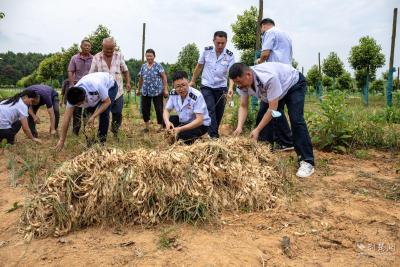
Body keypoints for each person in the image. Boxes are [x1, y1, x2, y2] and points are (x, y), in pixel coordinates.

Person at [229, 62, 315, 178]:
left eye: (239, 82)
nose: (239, 86)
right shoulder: (242, 84)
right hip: (274, 91)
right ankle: (264, 154)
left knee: (296, 119)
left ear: (249, 75)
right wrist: (239, 127)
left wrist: (257, 130)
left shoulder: (268, 78)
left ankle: (307, 161)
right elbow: (243, 106)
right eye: (236, 83)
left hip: (292, 84)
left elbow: (272, 110)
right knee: (262, 117)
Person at [255, 18, 294, 151]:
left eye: (261, 29)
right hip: (286, 74)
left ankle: (271, 141)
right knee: (275, 108)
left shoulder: (269, 32)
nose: (262, 32)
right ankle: (278, 141)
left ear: (264, 26)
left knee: (270, 108)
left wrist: (259, 61)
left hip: (275, 73)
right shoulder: (285, 35)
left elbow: (265, 53)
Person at [55, 72, 118, 151]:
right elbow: (66, 118)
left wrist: (94, 116)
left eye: (80, 104)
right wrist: (61, 140)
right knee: (86, 116)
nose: (79, 105)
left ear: (84, 97)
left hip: (110, 86)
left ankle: (102, 143)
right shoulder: (72, 96)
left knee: (104, 114)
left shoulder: (97, 85)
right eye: (77, 105)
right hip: (94, 93)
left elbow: (107, 102)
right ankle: (90, 144)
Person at [189, 31, 235, 139]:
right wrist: (193, 80)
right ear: (213, 41)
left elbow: (231, 73)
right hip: (207, 86)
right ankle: (214, 136)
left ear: (226, 42)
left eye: (223, 43)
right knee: (210, 109)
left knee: (219, 112)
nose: (220, 46)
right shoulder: (206, 51)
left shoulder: (229, 55)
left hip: (221, 87)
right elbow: (199, 66)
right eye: (218, 43)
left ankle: (212, 131)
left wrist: (231, 87)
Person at [89, 37, 131, 138]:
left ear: (114, 47)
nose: (109, 51)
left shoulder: (119, 55)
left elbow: (125, 70)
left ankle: (115, 131)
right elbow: (91, 74)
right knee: (104, 114)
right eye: (107, 49)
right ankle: (102, 137)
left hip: (118, 91)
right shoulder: (96, 57)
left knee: (117, 113)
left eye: (111, 49)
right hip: (103, 92)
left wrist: (128, 82)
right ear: (102, 46)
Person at [163, 70, 210, 144]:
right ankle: (180, 135)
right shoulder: (173, 93)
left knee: (183, 136)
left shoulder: (196, 96)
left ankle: (198, 139)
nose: (181, 89)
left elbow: (199, 120)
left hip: (200, 124)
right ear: (173, 86)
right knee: (167, 120)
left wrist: (180, 129)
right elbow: (166, 110)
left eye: (183, 85)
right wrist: (167, 123)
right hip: (184, 121)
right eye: (178, 86)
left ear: (188, 82)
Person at [137, 49, 169, 132]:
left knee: (159, 109)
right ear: (145, 56)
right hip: (145, 91)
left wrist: (165, 89)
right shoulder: (143, 66)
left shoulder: (158, 66)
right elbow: (141, 79)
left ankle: (160, 126)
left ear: (154, 56)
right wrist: (138, 89)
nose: (149, 57)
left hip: (157, 91)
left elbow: (164, 77)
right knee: (145, 109)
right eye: (147, 56)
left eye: (151, 56)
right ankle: (147, 126)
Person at [67, 39, 93, 135]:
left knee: (88, 110)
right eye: (85, 45)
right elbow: (70, 71)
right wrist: (72, 85)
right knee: (77, 111)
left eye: (89, 46)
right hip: (77, 87)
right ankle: (75, 132)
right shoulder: (74, 58)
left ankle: (87, 131)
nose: (87, 47)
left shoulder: (93, 59)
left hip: (89, 88)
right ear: (81, 46)